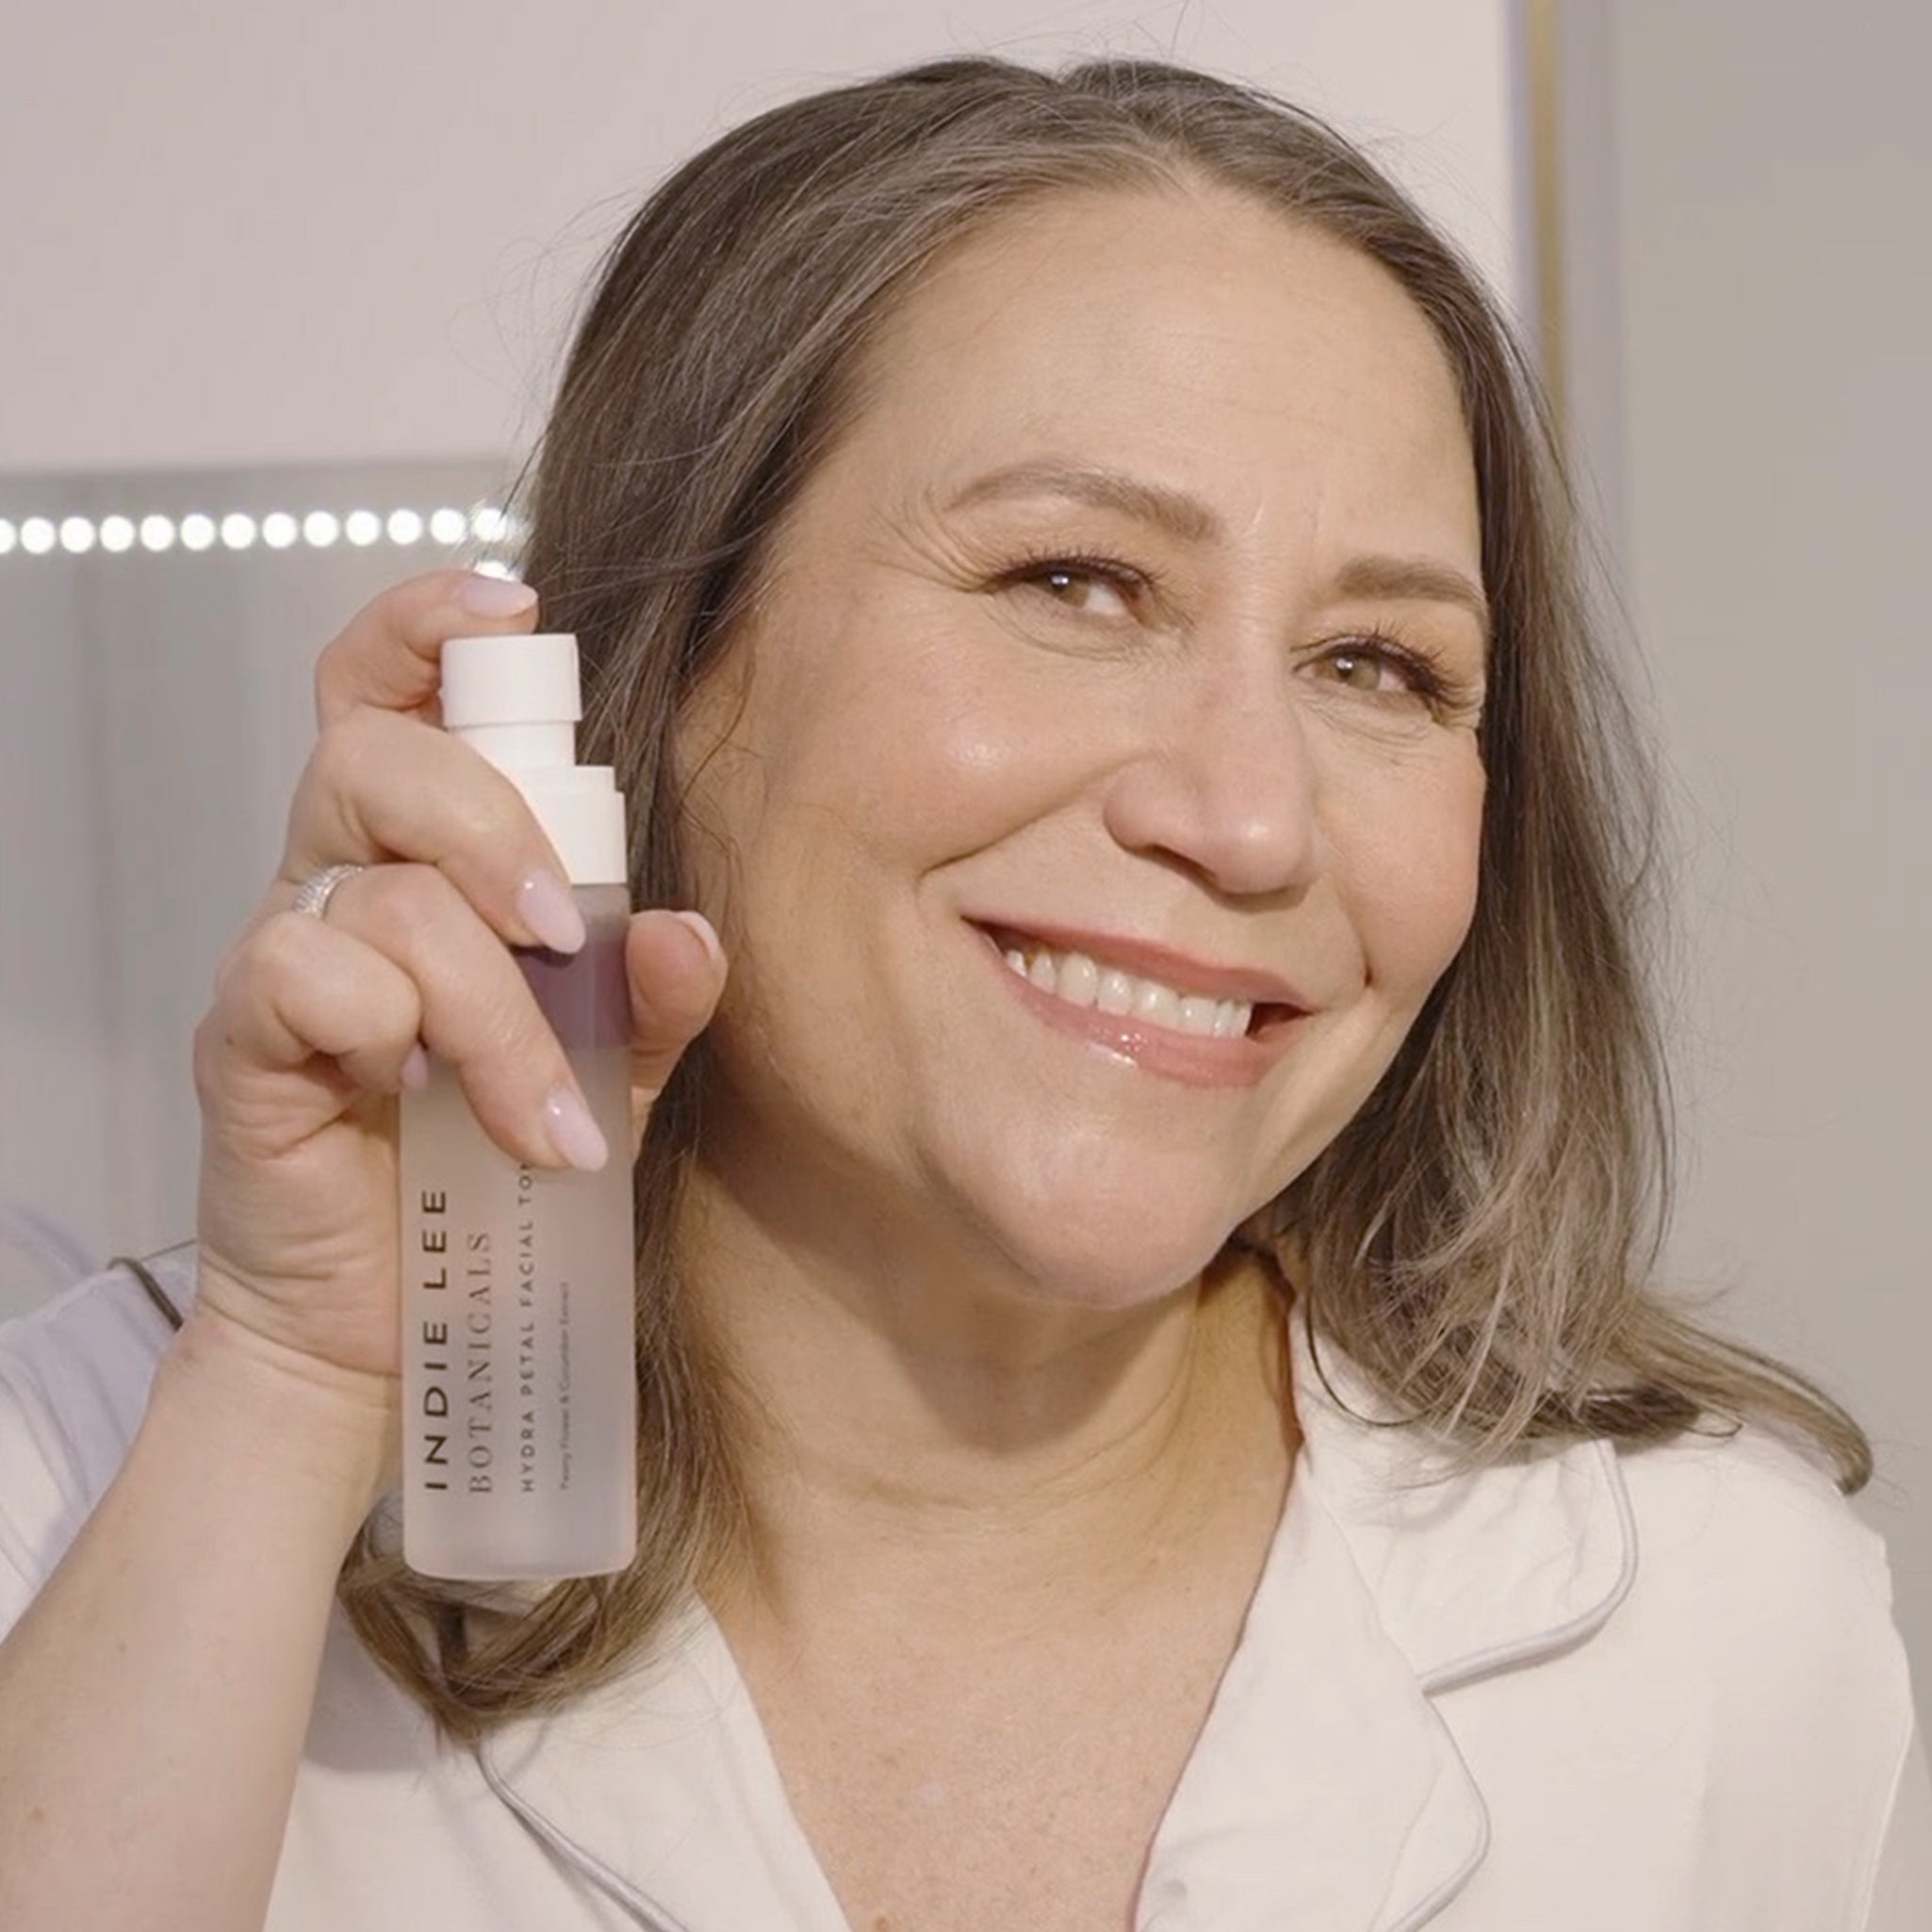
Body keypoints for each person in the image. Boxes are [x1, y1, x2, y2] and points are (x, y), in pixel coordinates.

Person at [0, 53, 1925, 1932]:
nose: (1250, 819)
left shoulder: (1725, 1632)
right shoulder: (90, 1490)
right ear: (663, 668)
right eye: (1074, 582)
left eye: (1376, 664)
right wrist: (295, 1386)